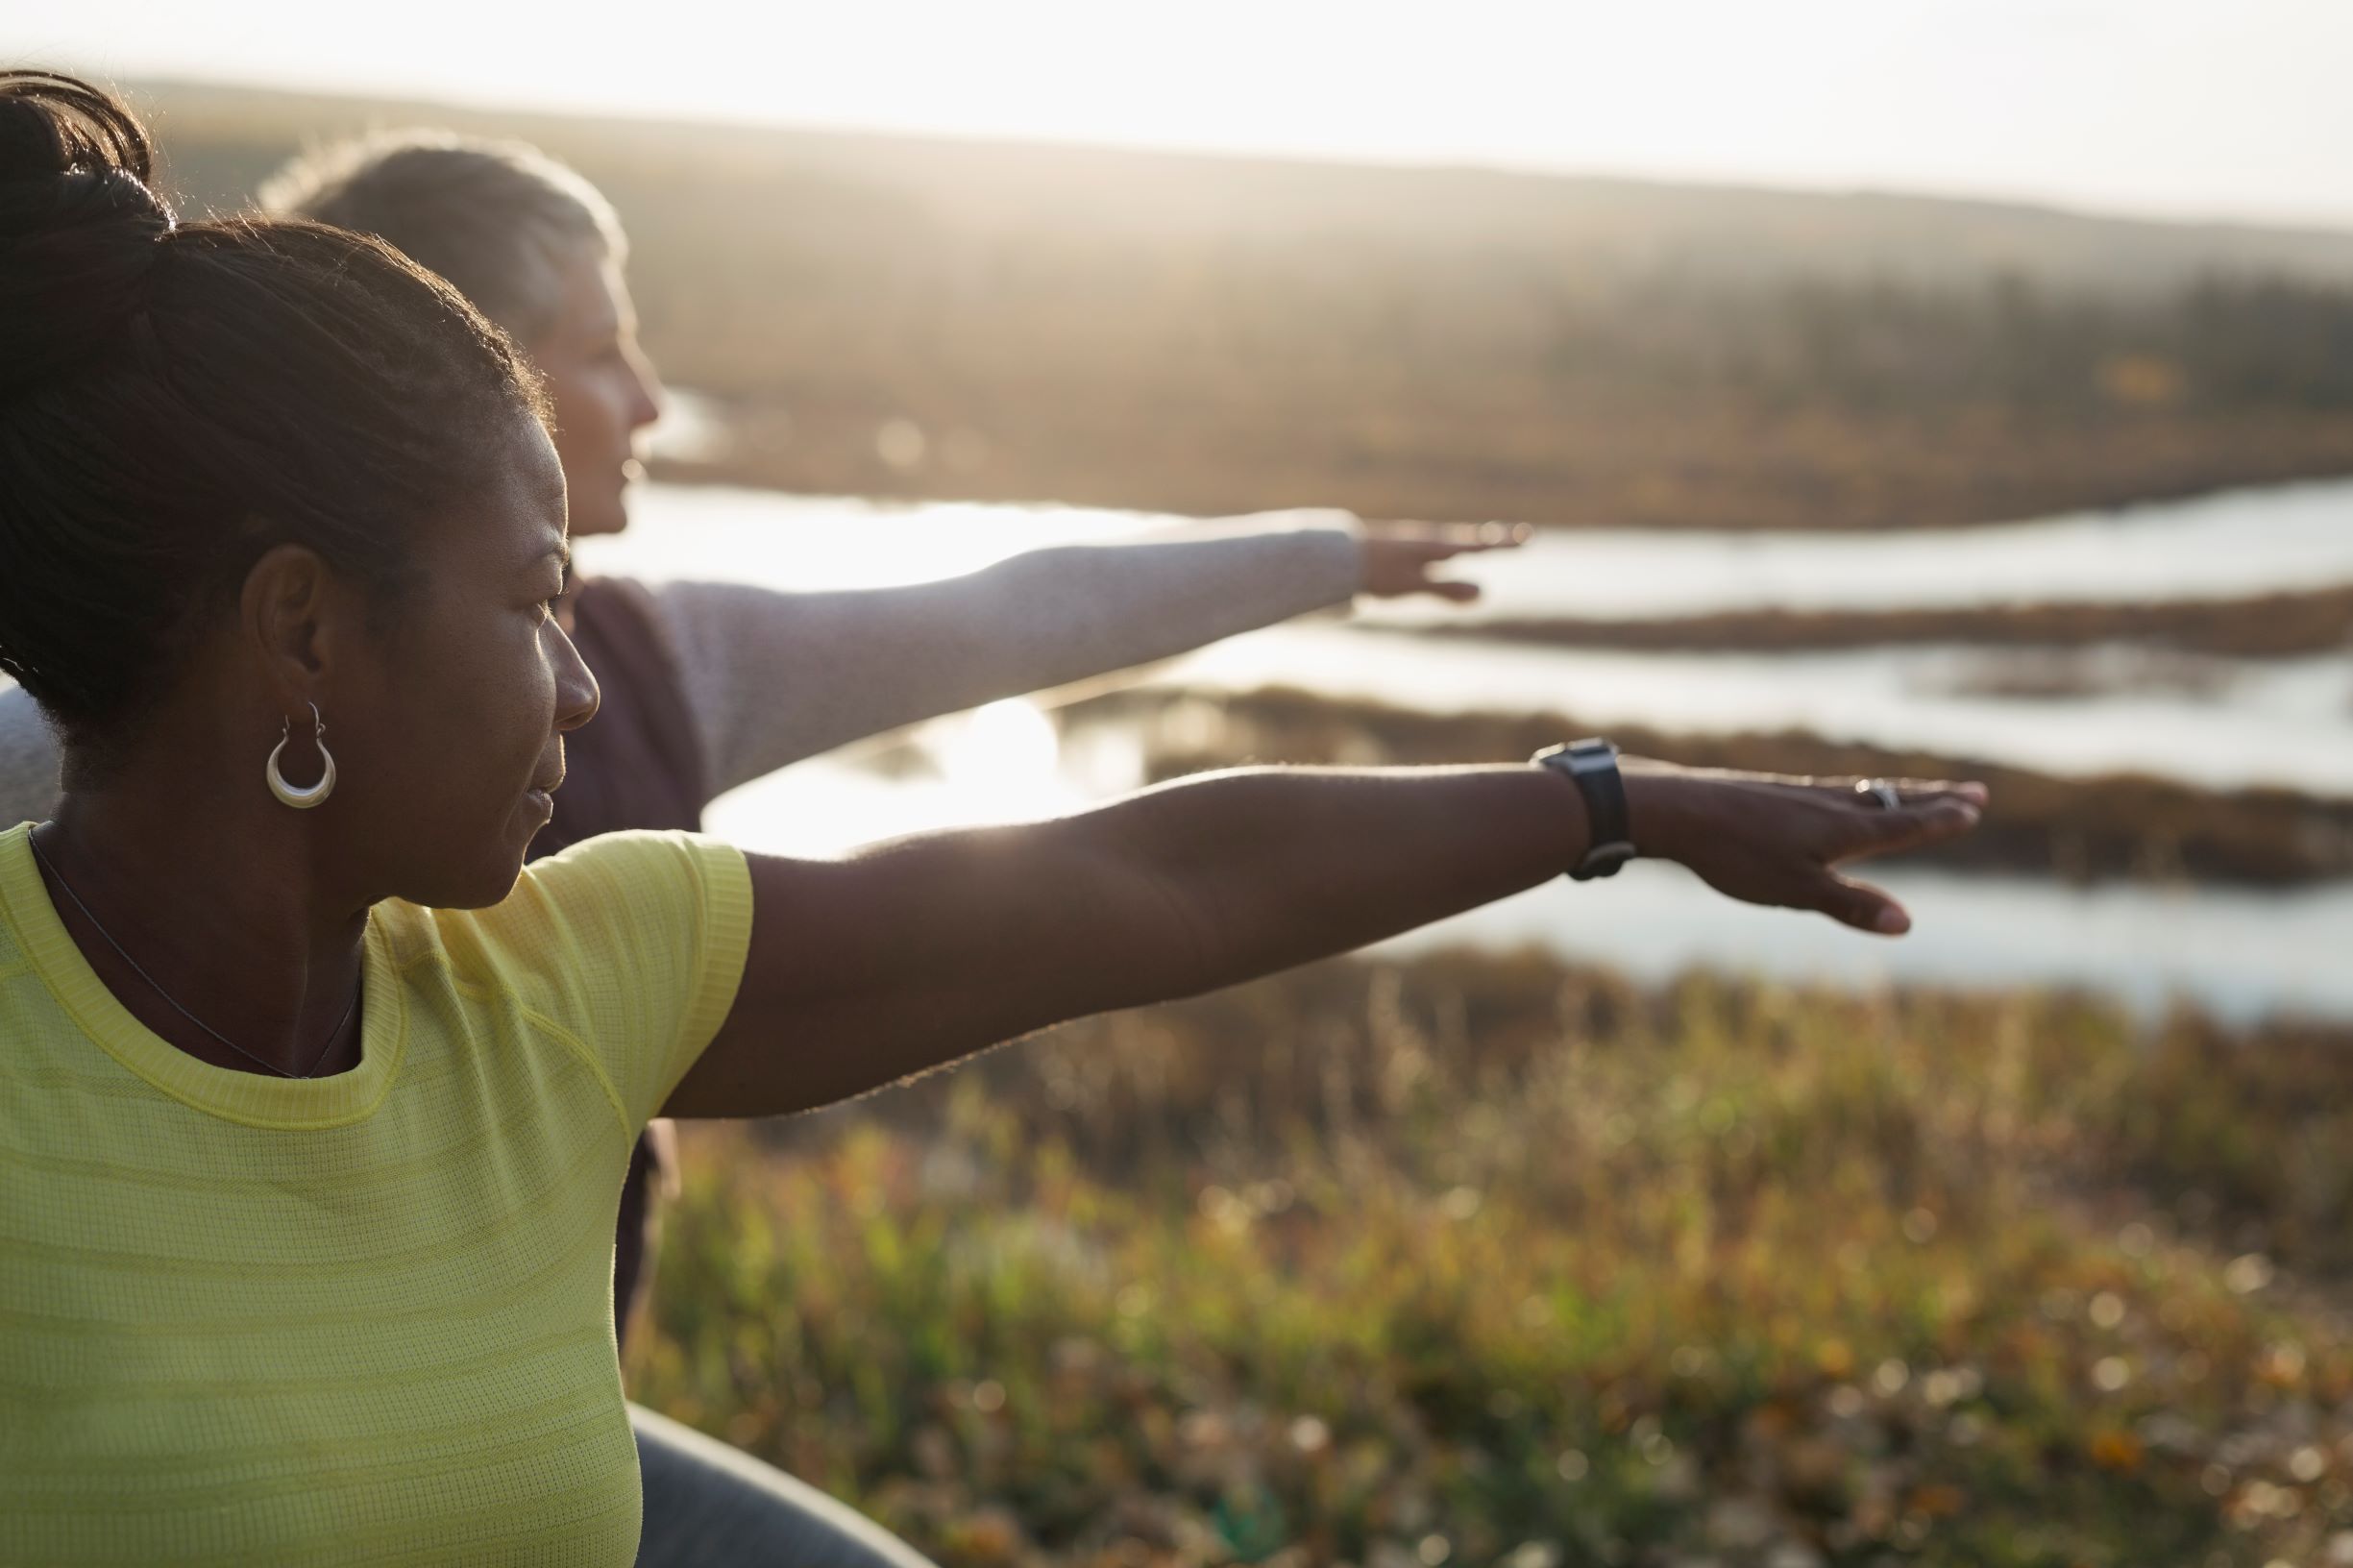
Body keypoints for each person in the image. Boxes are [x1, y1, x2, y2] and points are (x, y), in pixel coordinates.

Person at [0, 72, 1985, 1567]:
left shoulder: (564, 978)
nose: (584, 685)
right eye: (532, 608)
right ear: (300, 630)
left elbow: (1143, 881)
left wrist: (1601, 802)